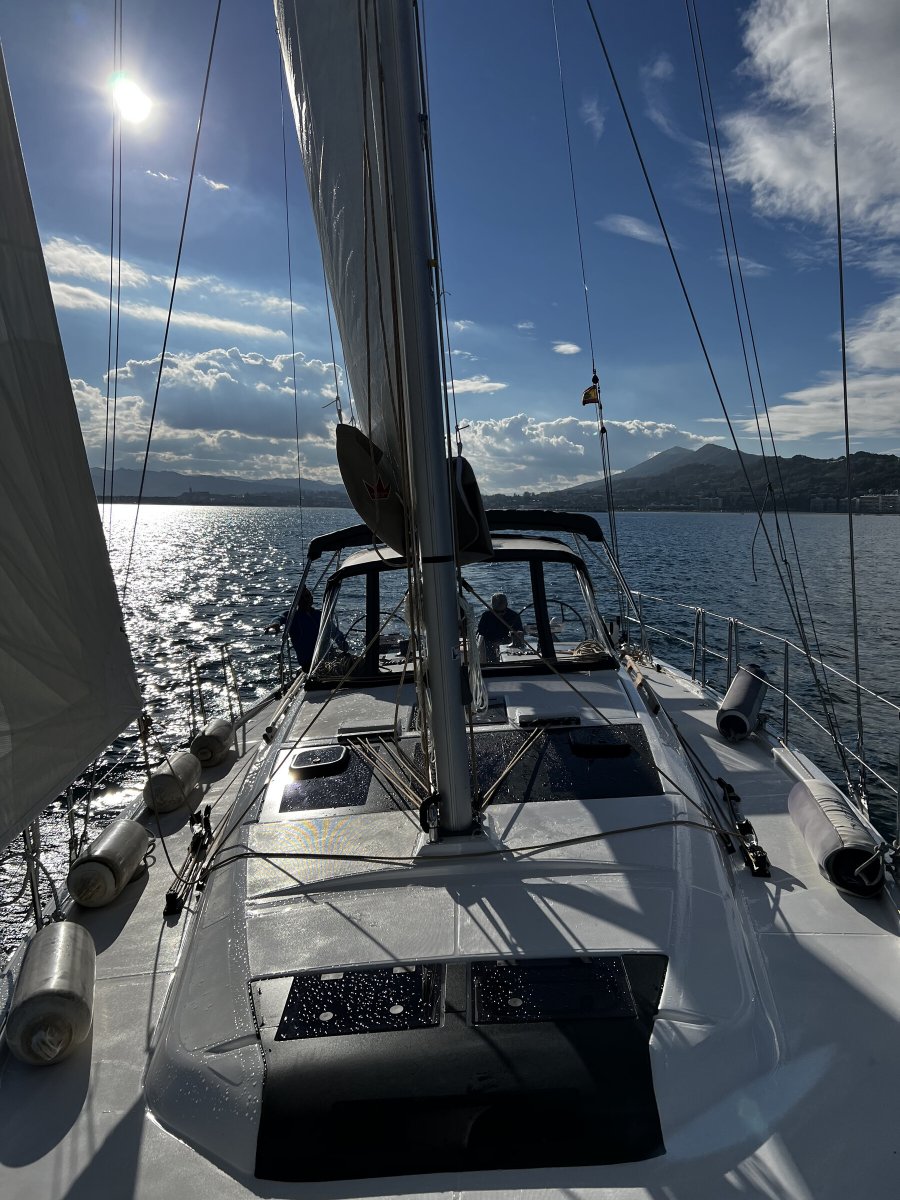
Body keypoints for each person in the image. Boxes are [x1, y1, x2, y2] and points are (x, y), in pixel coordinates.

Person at [266, 587, 321, 672]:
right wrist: (276, 624)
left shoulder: (319, 614)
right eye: (302, 598)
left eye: (307, 596)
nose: (305, 599)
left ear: (311, 597)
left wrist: (345, 647)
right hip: (309, 663)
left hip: (325, 656)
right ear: (297, 601)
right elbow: (280, 618)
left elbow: (334, 632)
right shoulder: (293, 616)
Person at [477, 593, 524, 661]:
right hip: (490, 645)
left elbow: (519, 634)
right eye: (496, 611)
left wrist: (504, 642)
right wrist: (492, 644)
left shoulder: (514, 616)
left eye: (502, 611)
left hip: (508, 645)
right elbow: (480, 633)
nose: (499, 614)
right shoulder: (486, 616)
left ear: (506, 605)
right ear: (491, 606)